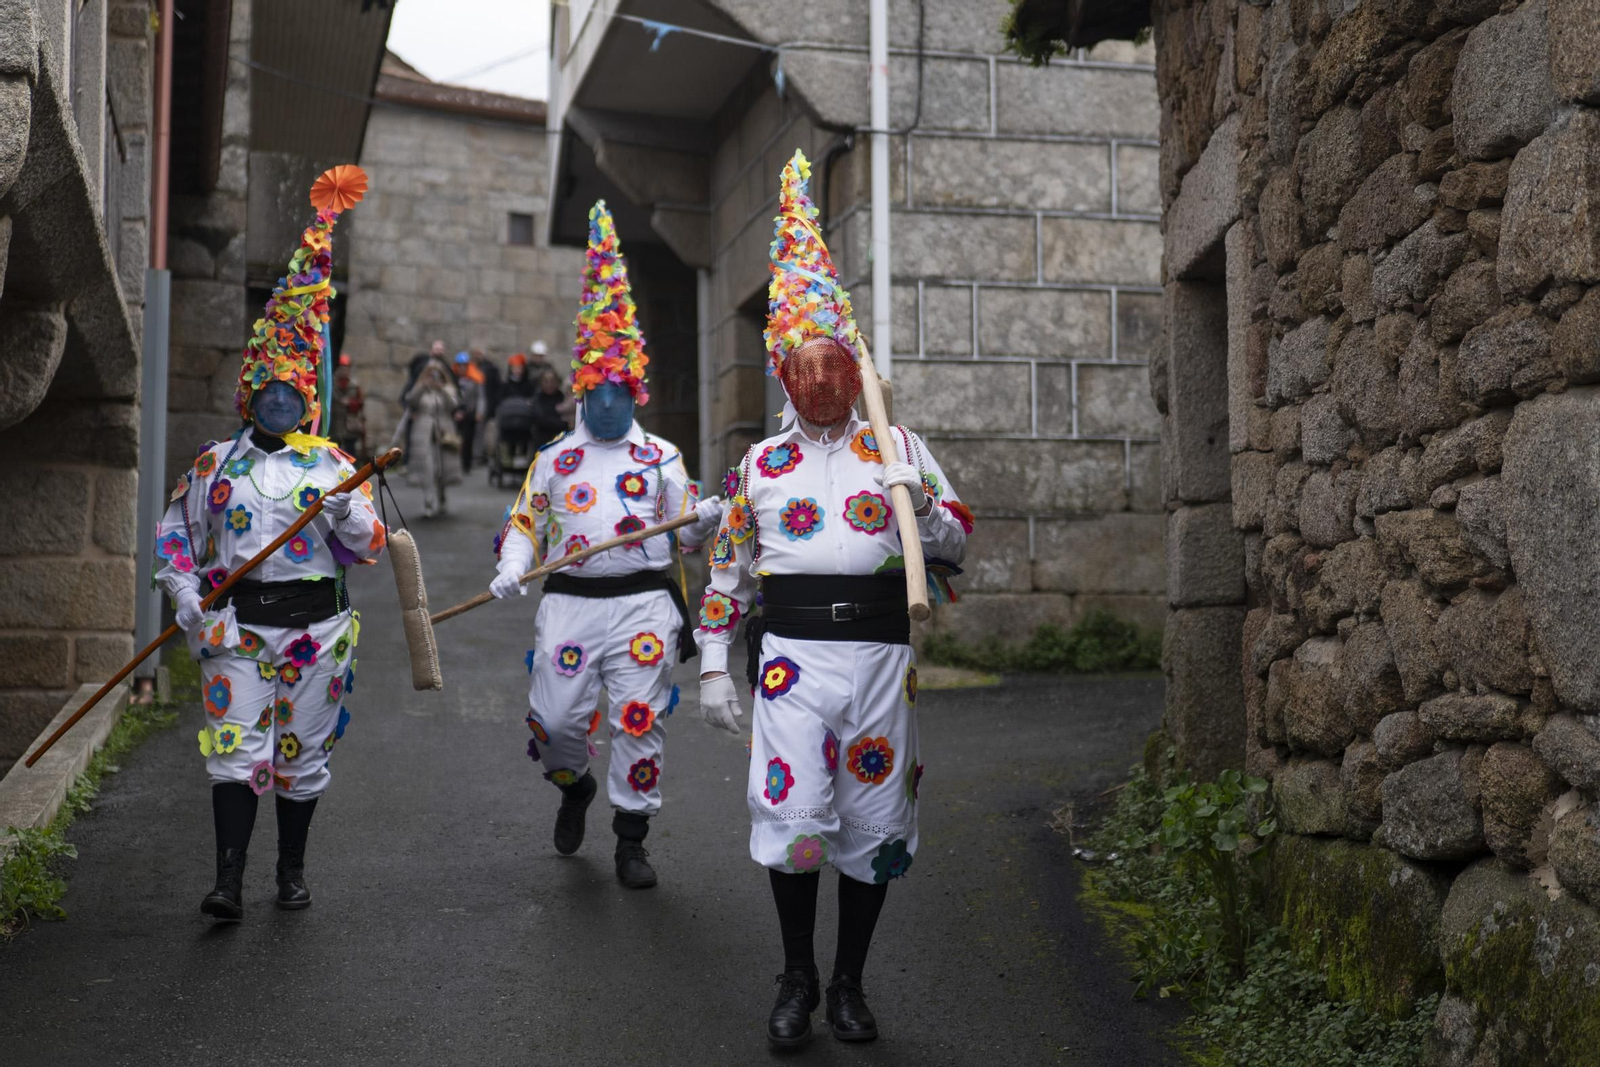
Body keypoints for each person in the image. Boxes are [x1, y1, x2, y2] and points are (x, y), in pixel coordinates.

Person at [696, 151, 972, 1048]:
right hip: (793, 665)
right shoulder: (760, 466)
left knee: (875, 824)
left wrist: (920, 500)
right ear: (784, 370)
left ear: (853, 365)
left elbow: (958, 542)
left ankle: (850, 980)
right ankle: (797, 975)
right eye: (801, 366)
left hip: (884, 661)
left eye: (832, 363)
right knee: (795, 819)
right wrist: (710, 665)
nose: (818, 382)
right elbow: (731, 570)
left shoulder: (899, 444)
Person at [152, 165, 387, 922]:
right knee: (234, 750)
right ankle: (228, 879)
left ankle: (291, 868)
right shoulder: (214, 463)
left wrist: (344, 514)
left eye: (293, 387)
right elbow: (175, 536)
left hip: (317, 630)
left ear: (307, 394)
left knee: (300, 757)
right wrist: (186, 594)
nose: (280, 397)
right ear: (249, 388)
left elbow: (373, 540)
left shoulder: (332, 463)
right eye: (268, 386)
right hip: (235, 628)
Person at [491, 200, 722, 889]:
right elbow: (526, 521)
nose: (612, 404)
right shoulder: (556, 460)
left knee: (638, 717)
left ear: (635, 389)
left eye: (623, 391)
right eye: (600, 391)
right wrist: (512, 562)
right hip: (569, 602)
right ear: (582, 391)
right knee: (555, 721)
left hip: (644, 605)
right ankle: (575, 786)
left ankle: (631, 836)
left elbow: (686, 532)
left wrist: (706, 516)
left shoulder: (662, 457)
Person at [402, 356, 458, 517]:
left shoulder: (447, 388)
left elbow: (453, 405)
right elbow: (410, 401)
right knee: (428, 466)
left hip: (443, 431)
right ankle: (428, 500)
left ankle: (442, 495)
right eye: (431, 374)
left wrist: (441, 389)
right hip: (424, 431)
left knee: (442, 467)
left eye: (437, 374)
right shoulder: (420, 388)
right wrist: (422, 387)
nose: (434, 377)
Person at [330, 352, 366, 457]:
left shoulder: (354, 386)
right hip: (335, 427)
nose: (344, 371)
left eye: (346, 368)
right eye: (341, 367)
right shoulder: (332, 385)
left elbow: (360, 405)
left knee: (350, 454)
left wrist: (353, 404)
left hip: (349, 427)